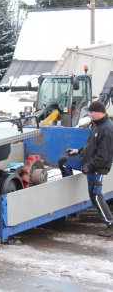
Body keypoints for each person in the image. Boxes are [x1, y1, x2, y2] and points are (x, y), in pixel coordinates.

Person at [58, 101, 113, 237]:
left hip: (97, 167)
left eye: (91, 112)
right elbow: (90, 145)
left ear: (98, 112)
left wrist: (87, 168)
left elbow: (103, 156)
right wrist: (78, 151)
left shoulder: (107, 129)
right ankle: (69, 190)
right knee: (64, 162)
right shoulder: (97, 125)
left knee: (95, 195)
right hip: (86, 160)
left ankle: (110, 223)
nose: (89, 114)